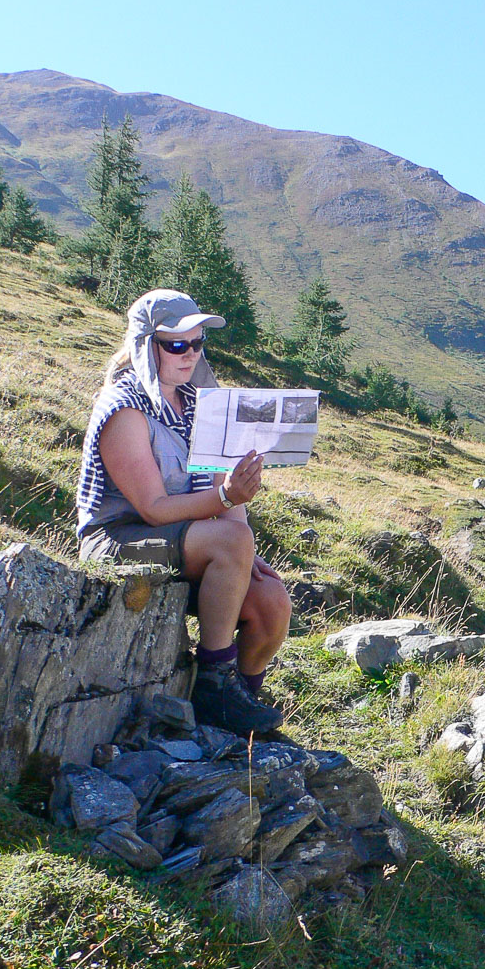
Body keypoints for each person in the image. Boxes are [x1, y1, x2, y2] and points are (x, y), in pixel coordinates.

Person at [76, 289, 291, 735]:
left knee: (271, 599)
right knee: (232, 542)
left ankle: (243, 701)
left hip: (183, 540)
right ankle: (213, 684)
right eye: (177, 344)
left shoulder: (198, 403)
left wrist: (243, 546)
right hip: (118, 541)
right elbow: (154, 510)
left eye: (197, 343)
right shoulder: (123, 408)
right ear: (145, 345)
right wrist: (229, 505)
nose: (189, 354)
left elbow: (221, 491)